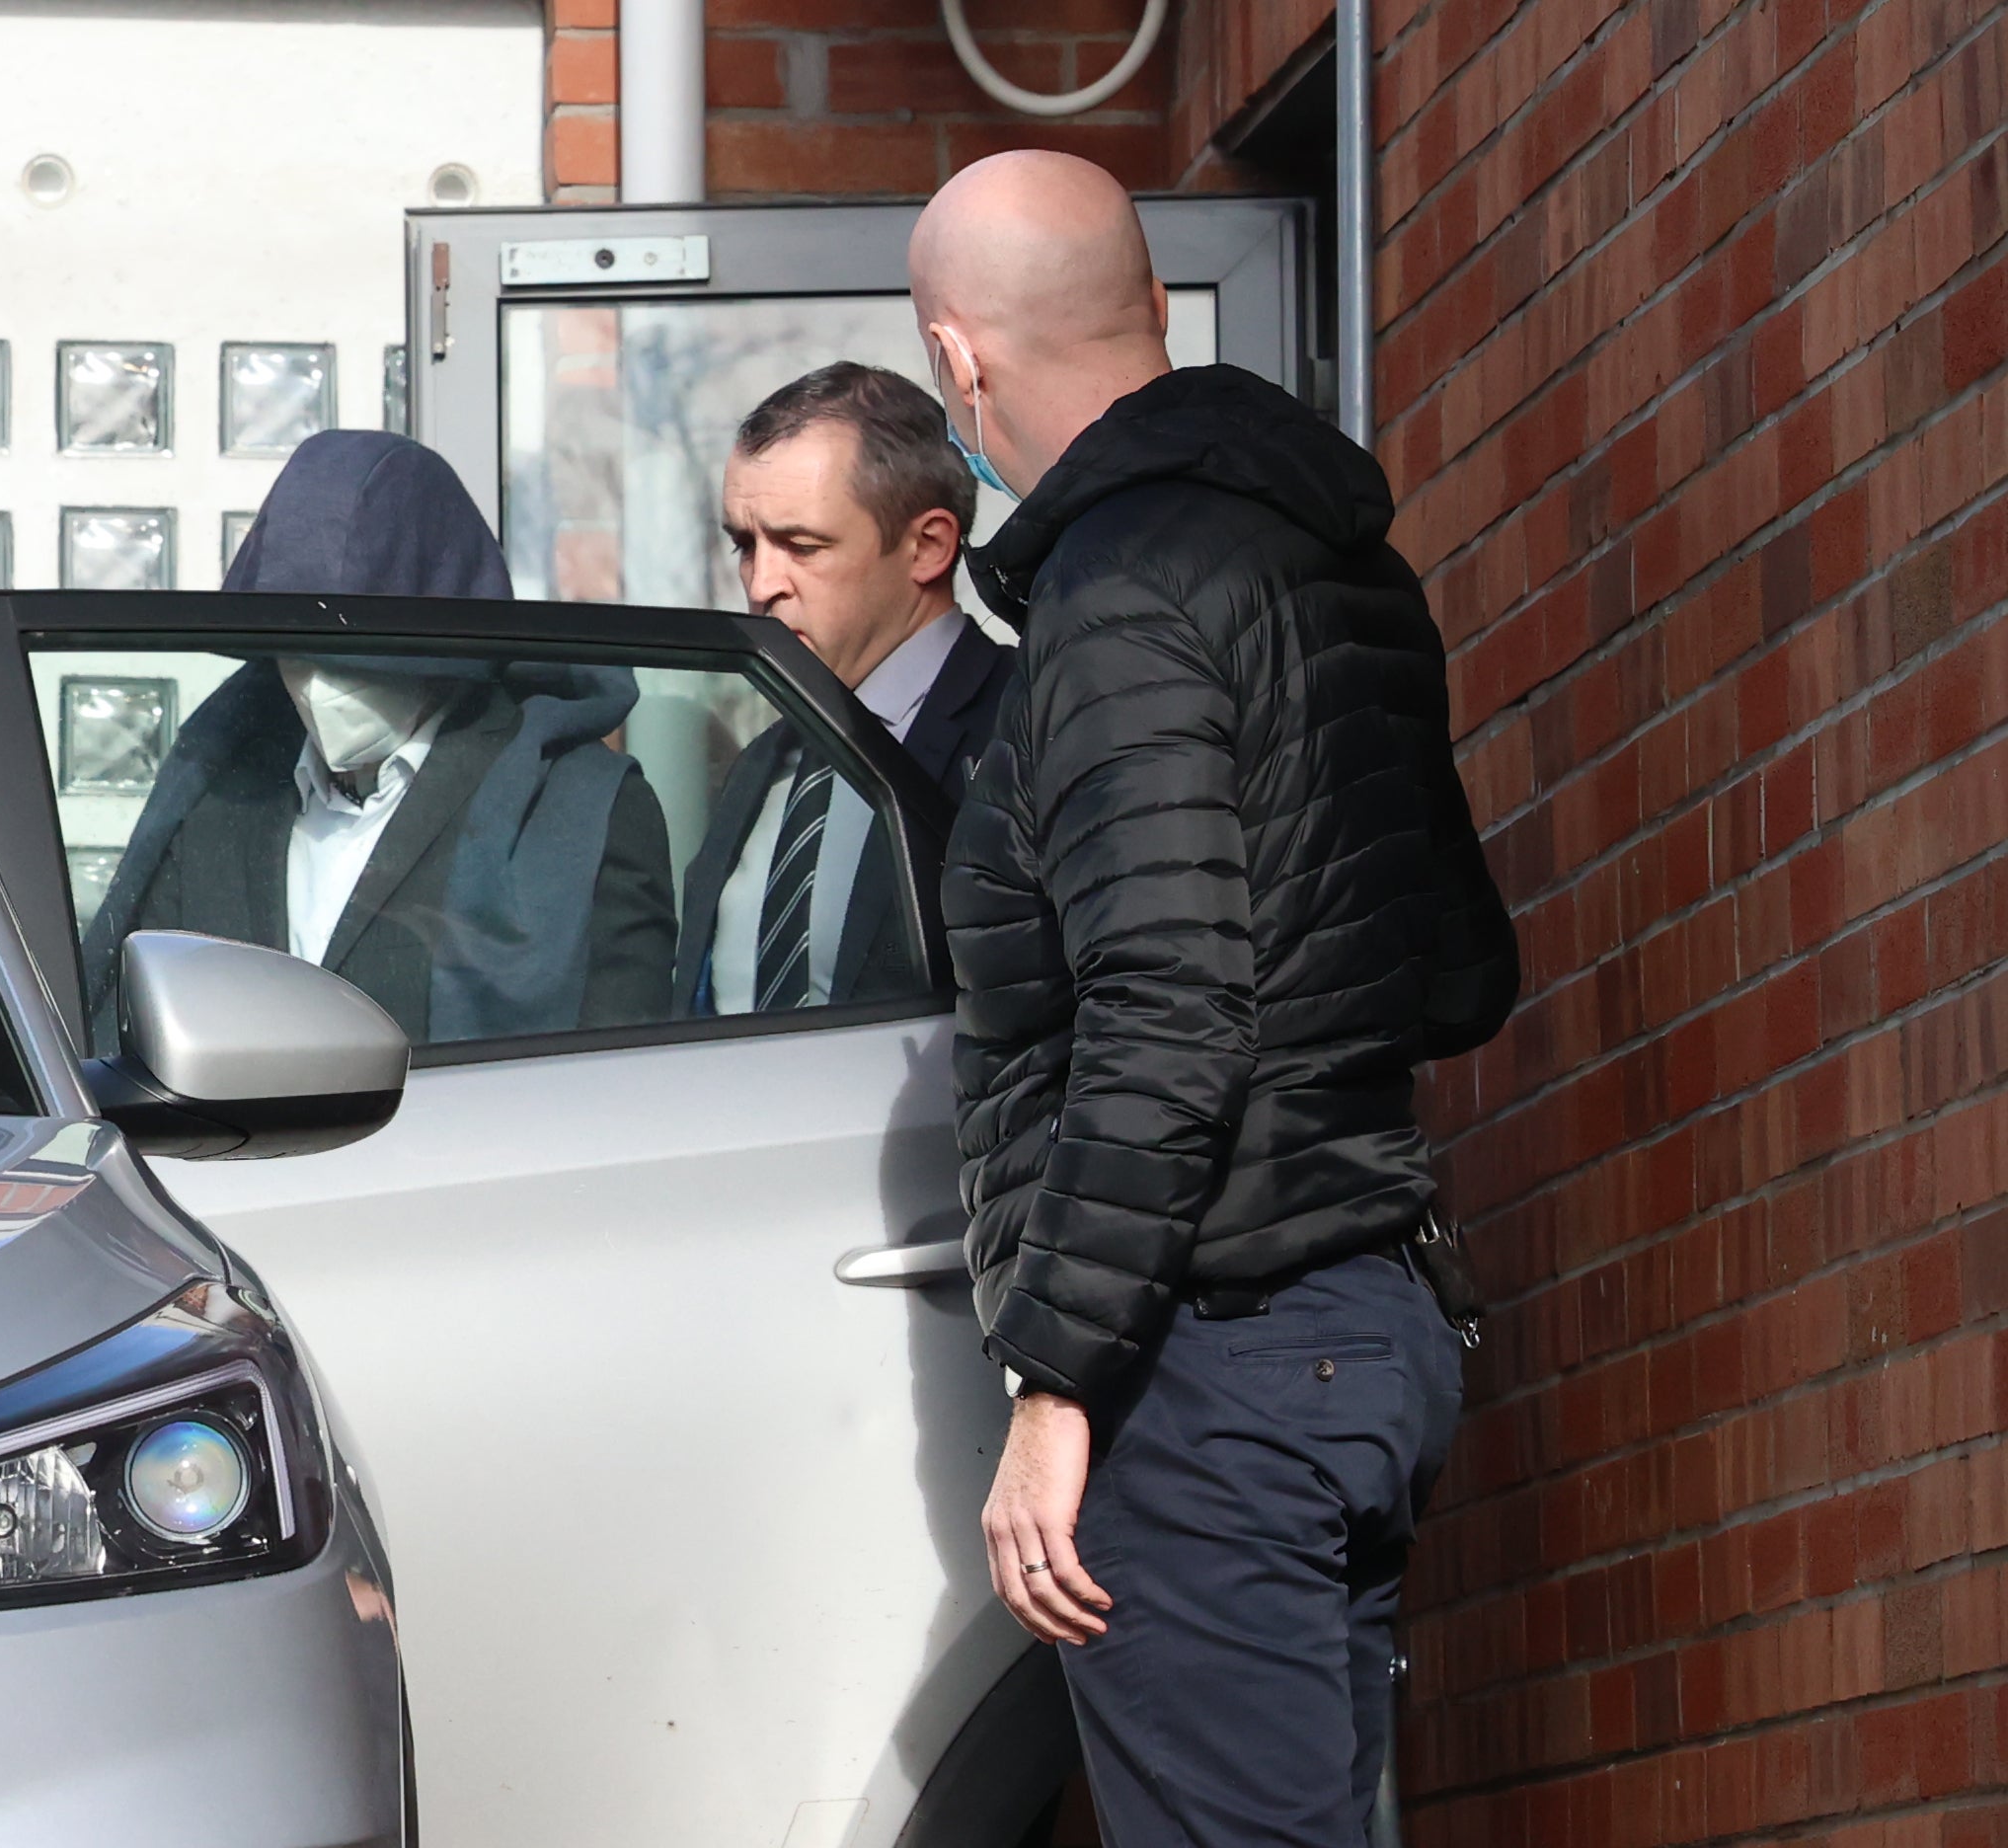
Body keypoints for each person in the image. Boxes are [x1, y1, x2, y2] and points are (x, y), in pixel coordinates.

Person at [910, 151, 1519, 1847]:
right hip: (1361, 1329)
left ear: (959, 362)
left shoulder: (1113, 606)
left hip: (1210, 1354)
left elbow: (1168, 1006)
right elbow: (1459, 964)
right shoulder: (1334, 565)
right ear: (1156, 313)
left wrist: (1054, 1386)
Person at [81, 429, 676, 1044]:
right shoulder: (220, 798)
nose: (314, 685)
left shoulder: (582, 808)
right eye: (292, 651)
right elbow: (138, 1028)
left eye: (349, 653)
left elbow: (619, 1077)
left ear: (441, 648)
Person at [670, 362, 1015, 1016]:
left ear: (928, 546)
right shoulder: (766, 761)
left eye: (801, 545)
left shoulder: (1024, 732)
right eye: (746, 544)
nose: (762, 581)